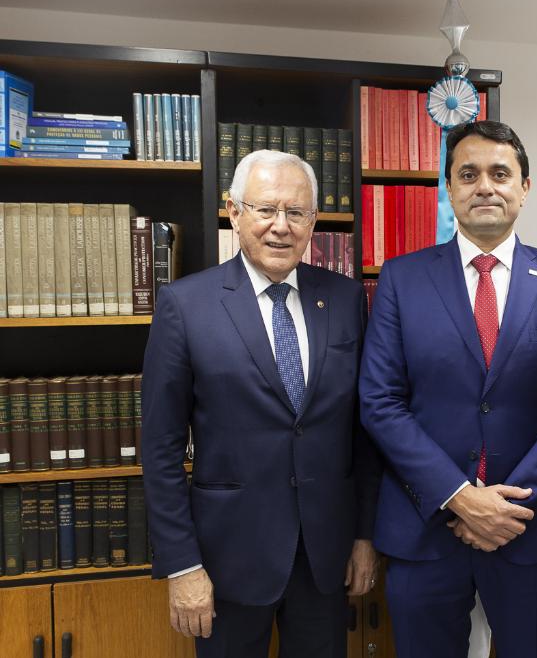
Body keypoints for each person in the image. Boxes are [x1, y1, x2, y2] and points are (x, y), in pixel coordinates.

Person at [359, 120, 537, 657]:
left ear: (524, 187)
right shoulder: (401, 279)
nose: (485, 187)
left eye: (500, 173)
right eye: (468, 175)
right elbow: (380, 402)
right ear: (449, 189)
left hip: (528, 528)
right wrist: (460, 497)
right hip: (426, 526)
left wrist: (506, 508)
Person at [142, 150, 380, 657]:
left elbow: (361, 432)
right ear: (234, 212)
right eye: (266, 209)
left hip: (325, 558)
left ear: (313, 221)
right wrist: (182, 565)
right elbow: (161, 450)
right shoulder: (185, 305)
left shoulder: (344, 299)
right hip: (225, 561)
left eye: (296, 212)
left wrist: (364, 537)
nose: (281, 226)